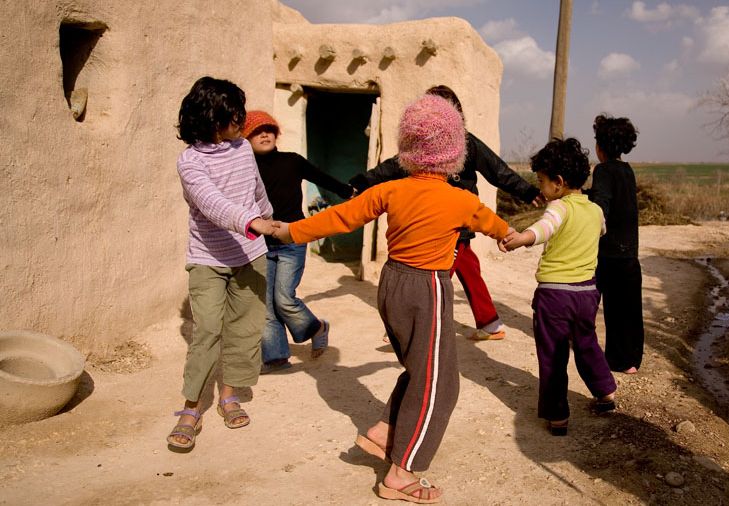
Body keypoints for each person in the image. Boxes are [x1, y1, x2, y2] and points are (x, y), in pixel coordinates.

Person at [274, 95, 511, 503]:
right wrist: (515, 236)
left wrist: (289, 231)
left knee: (419, 367)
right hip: (428, 287)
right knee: (441, 383)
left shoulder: (390, 190)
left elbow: (339, 216)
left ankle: (385, 432)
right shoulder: (462, 200)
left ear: (408, 147)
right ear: (456, 150)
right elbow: (498, 228)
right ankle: (402, 473)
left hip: (391, 285)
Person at [348, 85, 543, 341]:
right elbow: (391, 168)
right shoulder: (423, 144)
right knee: (468, 268)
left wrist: (528, 192)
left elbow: (498, 171)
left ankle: (412, 327)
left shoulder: (467, 142)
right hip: (434, 218)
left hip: (456, 221)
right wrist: (362, 181)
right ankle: (491, 324)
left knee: (435, 276)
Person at [165, 77, 277, 451]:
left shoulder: (243, 148)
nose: (240, 121)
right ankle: (191, 408)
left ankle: (229, 395)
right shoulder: (190, 162)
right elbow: (212, 203)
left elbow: (254, 189)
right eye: (233, 115)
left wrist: (268, 218)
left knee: (245, 330)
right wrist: (251, 222)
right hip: (208, 258)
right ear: (211, 117)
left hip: (250, 254)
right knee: (208, 330)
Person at [502, 138, 617, 436]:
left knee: (552, 354)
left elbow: (544, 229)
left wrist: (520, 239)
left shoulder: (558, 207)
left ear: (559, 182)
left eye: (541, 181)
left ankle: (557, 415)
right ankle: (605, 391)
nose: (539, 187)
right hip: (587, 294)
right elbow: (601, 231)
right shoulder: (595, 211)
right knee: (586, 342)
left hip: (554, 296)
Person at [242, 111, 354, 373]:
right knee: (266, 304)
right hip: (260, 243)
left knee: (283, 297)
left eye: (269, 129)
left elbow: (321, 178)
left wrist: (349, 192)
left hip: (292, 238)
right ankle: (277, 357)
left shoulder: (291, 161)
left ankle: (317, 327)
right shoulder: (245, 169)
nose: (265, 134)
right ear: (245, 138)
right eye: (257, 131)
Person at [587, 114, 644, 374]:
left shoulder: (602, 170)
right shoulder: (627, 170)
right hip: (630, 251)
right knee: (630, 308)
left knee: (608, 306)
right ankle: (630, 360)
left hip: (608, 251)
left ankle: (612, 358)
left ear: (600, 147)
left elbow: (601, 206)